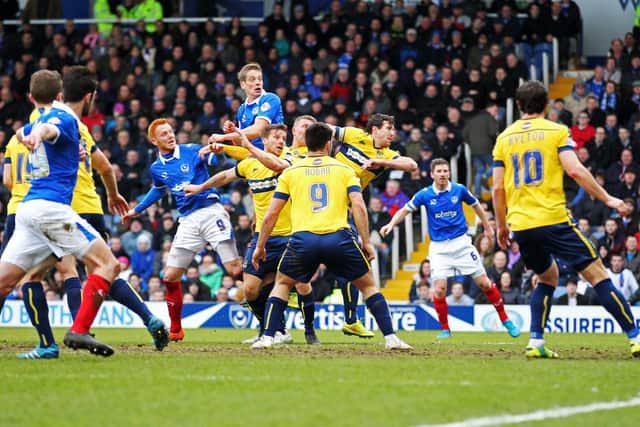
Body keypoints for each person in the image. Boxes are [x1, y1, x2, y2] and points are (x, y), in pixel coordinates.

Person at [2, 92, 169, 359]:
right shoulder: (75, 125)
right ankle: (147, 318)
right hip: (87, 204)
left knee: (38, 276)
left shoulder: (34, 124)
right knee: (101, 269)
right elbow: (103, 165)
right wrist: (112, 194)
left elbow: (10, 180)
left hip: (48, 208)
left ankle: (59, 339)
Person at [492, 80, 640, 359]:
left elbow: (497, 188)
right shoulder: (557, 131)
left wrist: (502, 226)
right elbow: (575, 170)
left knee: (547, 276)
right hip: (553, 219)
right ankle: (636, 337)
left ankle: (536, 342)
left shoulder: (504, 138)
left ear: (520, 105)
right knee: (598, 275)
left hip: (522, 225)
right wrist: (608, 199)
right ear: (546, 105)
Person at [250, 123, 411, 350]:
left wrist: (260, 245)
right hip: (338, 237)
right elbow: (359, 206)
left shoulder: (291, 171)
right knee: (368, 286)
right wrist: (366, 242)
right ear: (329, 144)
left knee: (283, 284)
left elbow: (271, 213)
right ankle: (391, 338)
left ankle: (267, 337)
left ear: (307, 143)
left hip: (303, 239)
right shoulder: (344, 170)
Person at [185, 123, 319, 345]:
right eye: (275, 137)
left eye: (282, 137)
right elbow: (225, 177)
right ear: (264, 140)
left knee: (300, 284)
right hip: (263, 237)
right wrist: (200, 188)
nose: (280, 141)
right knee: (249, 289)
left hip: (292, 235)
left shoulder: (292, 157)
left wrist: (244, 145)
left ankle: (309, 331)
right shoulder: (250, 164)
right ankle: (277, 330)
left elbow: (275, 165)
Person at [122, 118, 242, 343]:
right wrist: (136, 210)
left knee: (235, 270)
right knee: (170, 277)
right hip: (187, 221)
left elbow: (216, 161)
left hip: (210, 212)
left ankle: (265, 291)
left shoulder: (192, 150)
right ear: (154, 140)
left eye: (170, 131)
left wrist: (216, 152)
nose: (170, 135)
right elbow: (158, 190)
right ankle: (176, 329)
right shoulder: (156, 167)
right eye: (164, 134)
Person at [380, 158, 520, 339]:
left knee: (484, 283)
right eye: (439, 171)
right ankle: (445, 329)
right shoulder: (425, 194)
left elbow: (476, 205)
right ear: (432, 174)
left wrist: (486, 226)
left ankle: (505, 319)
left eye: (445, 171)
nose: (443, 174)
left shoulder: (458, 189)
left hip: (461, 244)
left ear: (449, 173)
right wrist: (391, 224)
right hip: (439, 248)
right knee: (439, 289)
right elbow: (405, 209)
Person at [330, 113, 418, 338]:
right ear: (375, 130)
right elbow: (324, 130)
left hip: (342, 209)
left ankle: (350, 320)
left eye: (393, 129)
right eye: (388, 128)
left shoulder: (387, 154)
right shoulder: (354, 135)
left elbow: (411, 164)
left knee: (351, 265)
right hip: (321, 199)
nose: (392, 133)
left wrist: (382, 162)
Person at [210, 62, 283, 151]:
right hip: (254, 156)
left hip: (274, 155)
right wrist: (233, 132)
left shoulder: (271, 99)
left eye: (260, 79)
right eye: (252, 79)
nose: (257, 82)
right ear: (243, 84)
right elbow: (241, 144)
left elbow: (259, 129)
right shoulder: (242, 109)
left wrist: (224, 137)